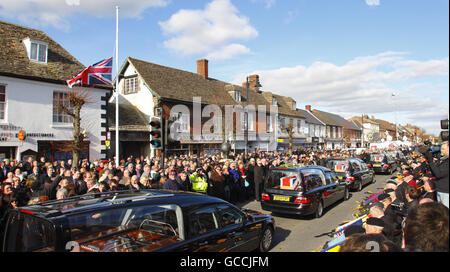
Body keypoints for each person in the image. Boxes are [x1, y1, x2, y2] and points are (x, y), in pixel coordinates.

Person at [424, 141, 449, 208]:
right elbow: (434, 172)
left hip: (446, 192)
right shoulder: (443, 159)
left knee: (445, 213)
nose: (441, 150)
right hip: (441, 189)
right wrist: (430, 162)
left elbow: (438, 174)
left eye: (443, 149)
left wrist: (431, 161)